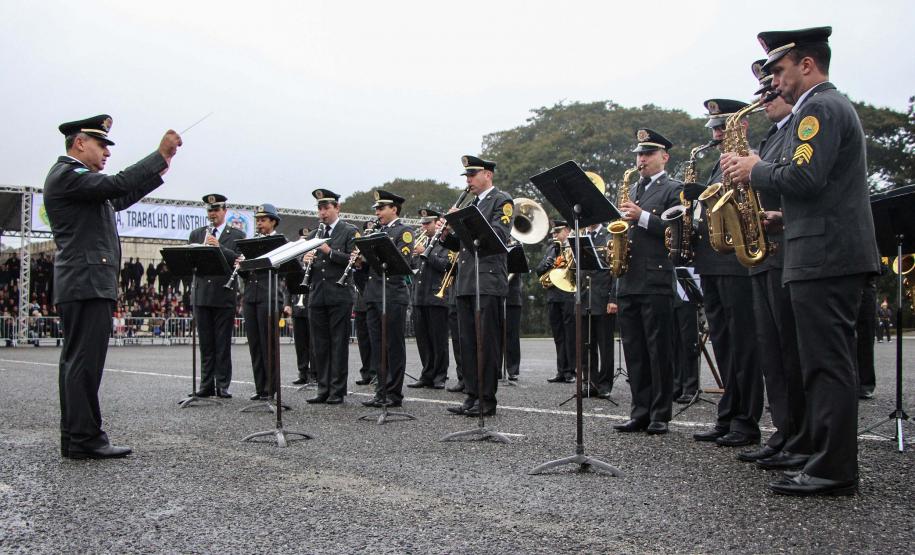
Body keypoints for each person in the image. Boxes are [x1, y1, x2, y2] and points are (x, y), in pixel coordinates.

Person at [723, 26, 880, 496]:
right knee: (818, 363)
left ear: (806, 64)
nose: (774, 80)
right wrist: (780, 215)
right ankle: (823, 454)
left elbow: (806, 177)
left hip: (827, 254)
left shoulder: (820, 109)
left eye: (779, 69)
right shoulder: (818, 109)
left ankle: (834, 467)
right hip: (819, 247)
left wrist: (757, 169)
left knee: (827, 365)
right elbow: (817, 189)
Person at [45, 114, 181, 459]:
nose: (106, 152)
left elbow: (118, 197)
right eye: (101, 144)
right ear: (80, 143)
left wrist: (158, 169)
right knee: (84, 363)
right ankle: (84, 439)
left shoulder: (81, 184)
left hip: (85, 280)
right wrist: (157, 155)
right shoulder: (69, 175)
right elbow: (116, 185)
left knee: (80, 362)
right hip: (86, 281)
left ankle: (78, 436)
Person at [737, 64, 808, 466]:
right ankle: (784, 431)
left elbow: (797, 180)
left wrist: (756, 168)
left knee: (790, 349)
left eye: (771, 91)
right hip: (764, 253)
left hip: (786, 253)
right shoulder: (773, 135)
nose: (765, 99)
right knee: (772, 352)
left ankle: (800, 436)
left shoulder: (800, 127)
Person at [689, 99, 763, 448]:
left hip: (736, 263)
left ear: (739, 127)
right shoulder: (716, 167)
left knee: (743, 345)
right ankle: (728, 414)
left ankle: (746, 421)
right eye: (714, 129)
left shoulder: (751, 159)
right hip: (712, 262)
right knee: (724, 344)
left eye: (722, 128)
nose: (716, 134)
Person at [611, 129, 680, 435]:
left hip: (655, 278)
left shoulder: (673, 188)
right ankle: (639, 410)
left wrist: (640, 216)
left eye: (648, 154)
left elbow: (676, 232)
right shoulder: (632, 190)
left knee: (658, 349)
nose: (642, 160)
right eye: (639, 154)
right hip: (629, 279)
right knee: (635, 350)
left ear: (664, 156)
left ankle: (660, 413)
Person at [441, 155, 513, 417]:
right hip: (467, 280)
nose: (469, 180)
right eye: (467, 177)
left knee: (487, 343)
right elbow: (461, 247)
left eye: (473, 175)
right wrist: (446, 233)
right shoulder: (471, 204)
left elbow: (497, 237)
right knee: (467, 342)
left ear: (488, 175)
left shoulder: (501, 200)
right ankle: (471, 395)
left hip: (488, 280)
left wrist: (461, 223)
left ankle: (487, 399)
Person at [302, 189, 358, 404]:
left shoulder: (348, 231)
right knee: (320, 345)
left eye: (327, 208)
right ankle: (323, 388)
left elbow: (354, 261)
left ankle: (337, 390)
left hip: (339, 294)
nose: (323, 213)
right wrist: (305, 260)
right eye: (320, 208)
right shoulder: (312, 235)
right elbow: (306, 265)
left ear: (337, 208)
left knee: (338, 343)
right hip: (317, 295)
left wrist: (328, 251)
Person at [188, 193, 245, 398]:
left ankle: (222, 384)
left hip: (223, 293)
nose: (213, 213)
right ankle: (206, 384)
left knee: (222, 343)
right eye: (210, 210)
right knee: (206, 343)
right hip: (202, 293)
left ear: (224, 211)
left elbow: (238, 261)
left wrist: (218, 246)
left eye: (216, 210)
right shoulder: (196, 234)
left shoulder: (236, 235)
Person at [361, 190, 413, 408]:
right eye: (377, 209)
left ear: (394, 209)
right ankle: (380, 391)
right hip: (374, 294)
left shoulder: (405, 231)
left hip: (392, 294)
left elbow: (404, 260)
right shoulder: (375, 232)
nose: (378, 212)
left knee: (393, 345)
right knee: (377, 346)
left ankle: (394, 393)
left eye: (382, 208)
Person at [240, 204, 285, 401]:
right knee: (255, 344)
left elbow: (284, 269)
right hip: (251, 296)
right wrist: (241, 265)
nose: (259, 223)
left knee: (269, 345)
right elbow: (245, 275)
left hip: (269, 295)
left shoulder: (280, 242)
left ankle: (271, 389)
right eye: (257, 220)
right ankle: (260, 388)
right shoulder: (250, 242)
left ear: (273, 221)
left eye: (263, 219)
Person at [408, 208, 451, 389]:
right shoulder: (421, 242)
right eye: (423, 223)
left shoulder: (446, 242)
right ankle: (427, 374)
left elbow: (446, 265)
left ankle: (440, 375)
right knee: (423, 339)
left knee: (438, 339)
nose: (423, 226)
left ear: (437, 223)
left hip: (436, 296)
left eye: (427, 223)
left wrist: (426, 252)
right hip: (419, 296)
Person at [537, 221, 575, 384]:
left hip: (568, 294)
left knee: (570, 334)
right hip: (553, 295)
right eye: (552, 233)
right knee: (558, 335)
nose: (553, 235)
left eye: (556, 232)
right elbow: (539, 269)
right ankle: (561, 370)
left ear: (566, 231)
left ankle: (570, 371)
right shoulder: (551, 249)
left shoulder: (572, 247)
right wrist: (548, 264)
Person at [581, 222, 615, 397]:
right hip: (584, 297)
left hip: (603, 299)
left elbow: (615, 269)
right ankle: (590, 382)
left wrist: (613, 298)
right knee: (586, 345)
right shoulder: (579, 236)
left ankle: (605, 384)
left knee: (605, 345)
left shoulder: (609, 235)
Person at [289, 226, 316, 386]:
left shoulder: (314, 261)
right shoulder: (297, 264)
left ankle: (314, 372)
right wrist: (287, 304)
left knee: (313, 342)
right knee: (300, 342)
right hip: (298, 306)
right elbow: (289, 286)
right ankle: (302, 371)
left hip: (310, 304)